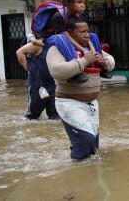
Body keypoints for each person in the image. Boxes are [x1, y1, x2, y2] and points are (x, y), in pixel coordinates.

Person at [46, 17, 115, 160]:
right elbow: (56, 70)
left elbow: (112, 61)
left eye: (88, 31)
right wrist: (84, 61)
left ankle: (87, 173)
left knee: (93, 147)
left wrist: (104, 61)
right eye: (82, 31)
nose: (87, 35)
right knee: (85, 143)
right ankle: (77, 174)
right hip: (69, 103)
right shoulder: (58, 47)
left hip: (92, 104)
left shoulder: (92, 46)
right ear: (70, 32)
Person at [16, 35, 58, 120]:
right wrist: (28, 69)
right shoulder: (38, 43)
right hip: (37, 84)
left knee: (55, 116)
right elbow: (19, 52)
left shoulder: (59, 42)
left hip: (54, 84)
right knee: (32, 116)